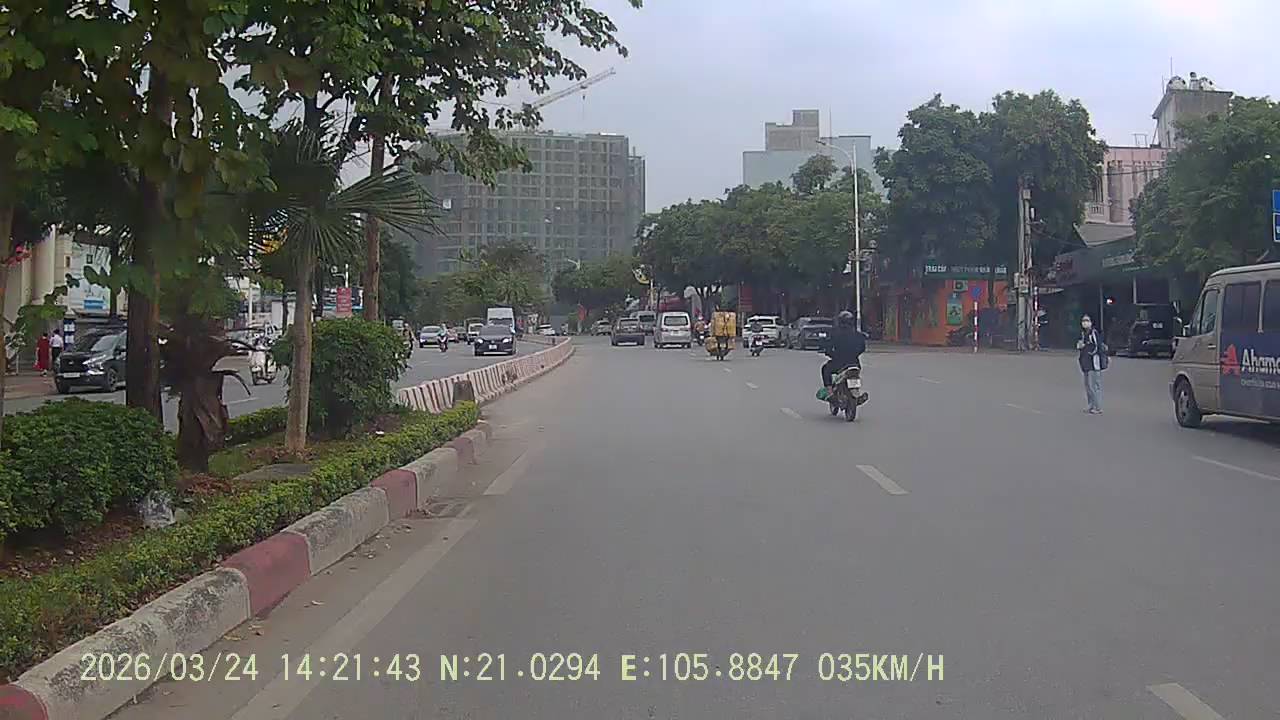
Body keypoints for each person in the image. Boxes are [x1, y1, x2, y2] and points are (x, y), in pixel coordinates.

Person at [820, 310, 867, 396]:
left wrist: (830, 353)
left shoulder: (835, 333)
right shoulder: (858, 334)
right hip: (854, 363)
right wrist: (854, 354)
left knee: (825, 369)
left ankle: (829, 391)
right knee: (855, 374)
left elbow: (828, 347)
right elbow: (862, 348)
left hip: (838, 363)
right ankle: (856, 393)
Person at [1077, 314, 1105, 414]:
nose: (1085, 323)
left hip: (1094, 363)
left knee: (1094, 385)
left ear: (1091, 322)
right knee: (1088, 385)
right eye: (1083, 321)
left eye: (1087, 320)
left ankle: (1098, 407)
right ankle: (1090, 405)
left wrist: (1089, 350)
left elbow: (1098, 347)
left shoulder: (1094, 333)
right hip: (1085, 363)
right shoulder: (1083, 334)